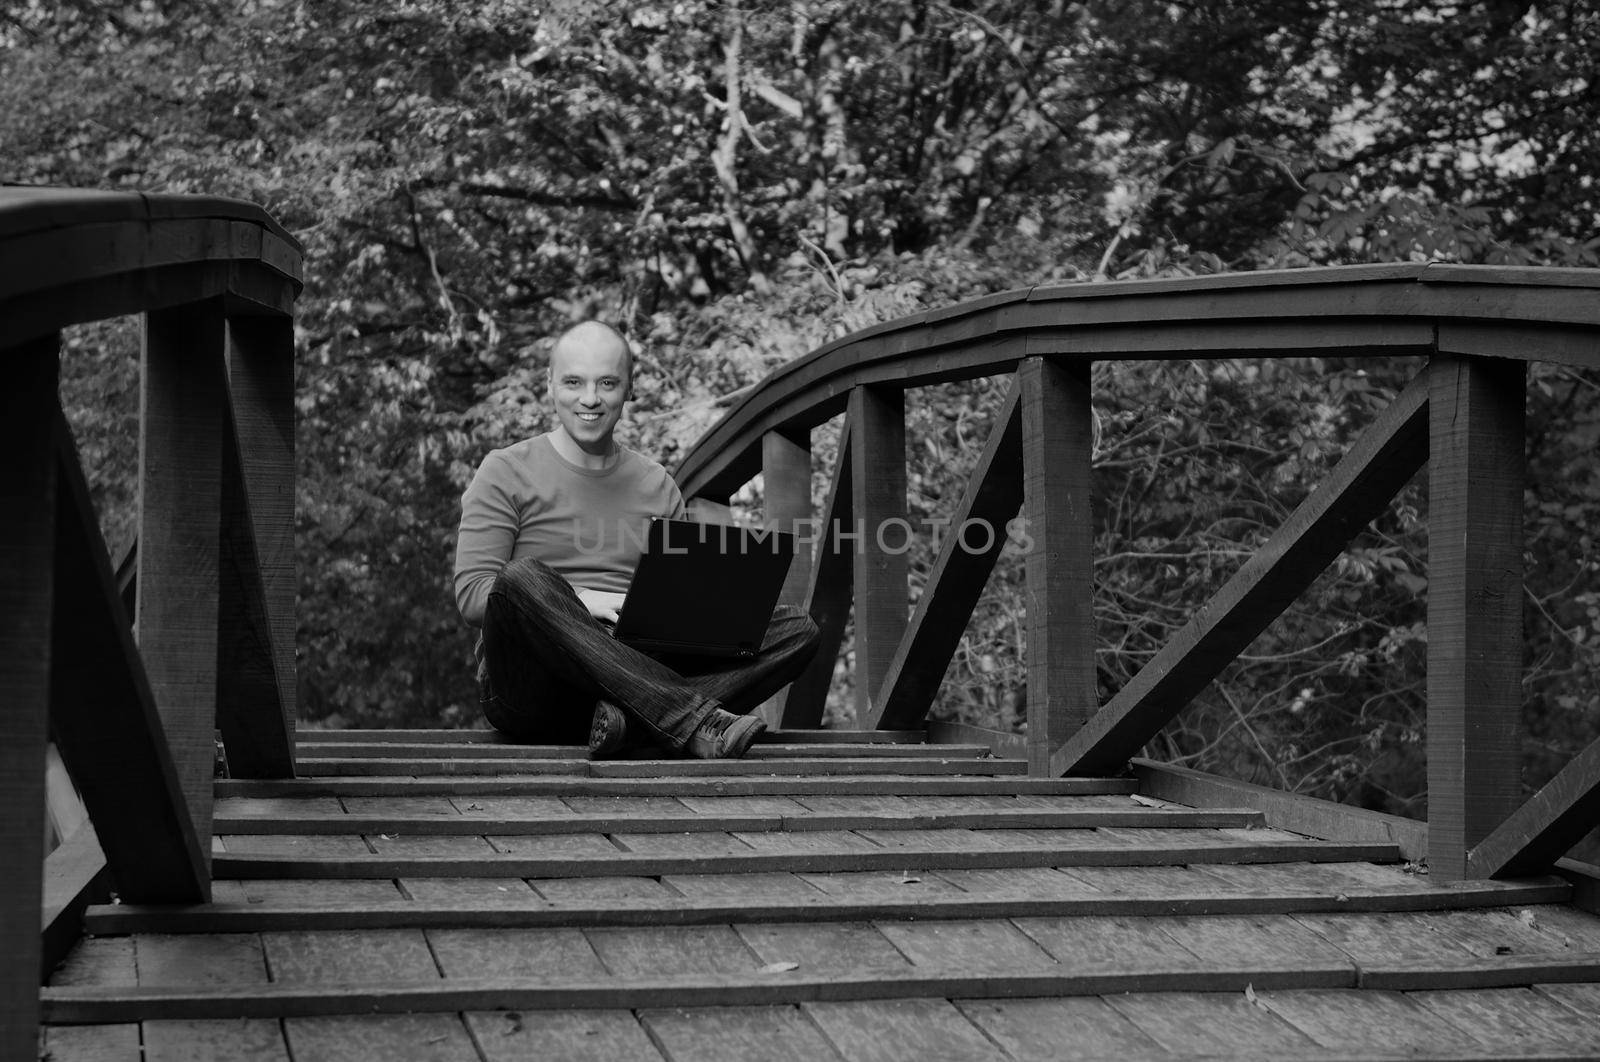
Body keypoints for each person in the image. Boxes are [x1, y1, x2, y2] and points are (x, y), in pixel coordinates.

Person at [453, 320, 820, 758]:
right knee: (519, 579)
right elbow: (475, 596)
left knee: (797, 629)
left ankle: (629, 725)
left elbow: (681, 599)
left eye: (607, 382)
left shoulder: (657, 484)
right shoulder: (505, 470)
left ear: (629, 389)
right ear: (549, 385)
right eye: (574, 382)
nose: (590, 398)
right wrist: (582, 600)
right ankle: (690, 719)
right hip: (532, 686)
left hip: (632, 664)